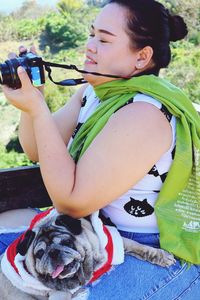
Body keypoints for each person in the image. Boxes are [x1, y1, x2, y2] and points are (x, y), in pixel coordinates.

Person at [1, 0, 200, 299]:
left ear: (142, 57)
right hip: (90, 232)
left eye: (104, 39)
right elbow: (37, 150)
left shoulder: (145, 112)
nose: (90, 46)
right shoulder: (92, 93)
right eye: (92, 34)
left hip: (150, 251)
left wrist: (39, 111)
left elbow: (72, 203)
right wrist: (33, 103)